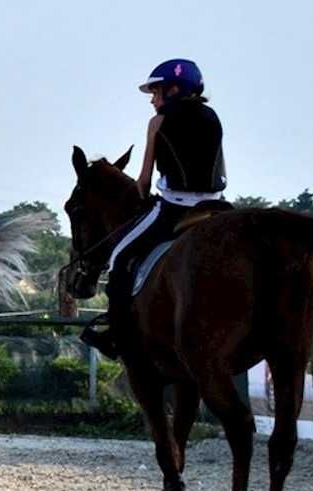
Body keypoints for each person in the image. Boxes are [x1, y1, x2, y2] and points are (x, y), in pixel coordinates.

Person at [80, 58, 227, 360]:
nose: (152, 99)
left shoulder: (158, 122)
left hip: (175, 207)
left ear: (174, 90)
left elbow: (145, 180)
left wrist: (141, 194)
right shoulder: (213, 117)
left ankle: (115, 334)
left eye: (156, 91)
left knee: (120, 258)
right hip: (217, 205)